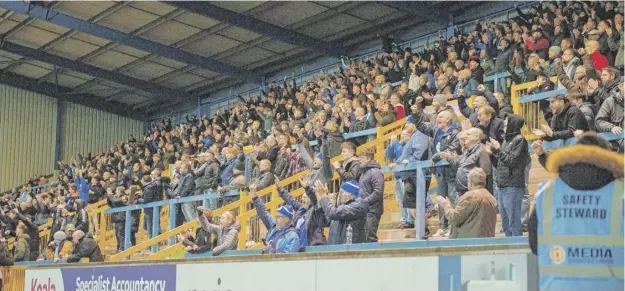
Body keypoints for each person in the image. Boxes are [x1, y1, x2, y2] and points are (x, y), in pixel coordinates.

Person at [528, 132, 624, 291]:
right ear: (607, 155)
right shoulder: (620, 193)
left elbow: (535, 245)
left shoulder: (547, 192)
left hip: (558, 286)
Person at [485, 114, 530, 237]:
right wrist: (492, 153)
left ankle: (517, 248)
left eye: (506, 124)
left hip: (513, 186)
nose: (503, 126)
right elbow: (501, 164)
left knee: (513, 223)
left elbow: (511, 162)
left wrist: (498, 149)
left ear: (513, 124)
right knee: (505, 224)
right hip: (502, 186)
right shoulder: (506, 140)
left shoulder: (520, 140)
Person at [436, 168, 497, 239]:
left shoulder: (470, 197)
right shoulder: (491, 197)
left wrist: (446, 206)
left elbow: (455, 219)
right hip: (486, 241)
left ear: (470, 182)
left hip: (469, 243)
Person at [440, 128, 492, 196]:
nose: (465, 136)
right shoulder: (466, 151)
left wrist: (475, 188)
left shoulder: (481, 151)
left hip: (473, 192)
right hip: (462, 190)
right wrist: (448, 157)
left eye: (468, 134)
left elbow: (486, 172)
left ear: (476, 136)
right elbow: (457, 165)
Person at [249, 184, 300, 254]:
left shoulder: (293, 236)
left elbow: (288, 258)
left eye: (278, 217)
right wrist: (255, 197)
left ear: (287, 219)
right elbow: (264, 213)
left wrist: (269, 250)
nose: (275, 219)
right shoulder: (274, 228)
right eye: (276, 217)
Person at [279, 176, 328, 246]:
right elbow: (291, 200)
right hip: (299, 247)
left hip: (311, 247)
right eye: (302, 197)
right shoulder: (301, 209)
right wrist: (279, 189)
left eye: (305, 197)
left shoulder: (316, 211)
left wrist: (307, 188)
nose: (302, 199)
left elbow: (314, 199)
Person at [317, 180, 368, 245]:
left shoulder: (358, 205)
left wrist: (324, 197)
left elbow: (333, 213)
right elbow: (324, 221)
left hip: (350, 251)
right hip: (337, 249)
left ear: (350, 193)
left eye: (341, 193)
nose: (339, 196)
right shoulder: (342, 208)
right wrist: (319, 197)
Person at [385, 131, 414, 229]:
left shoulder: (409, 145)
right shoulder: (398, 145)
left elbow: (403, 155)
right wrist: (392, 144)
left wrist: (396, 143)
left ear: (410, 136)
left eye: (404, 135)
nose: (402, 137)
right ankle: (404, 220)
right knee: (401, 200)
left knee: (407, 199)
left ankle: (410, 220)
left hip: (406, 176)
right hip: (397, 175)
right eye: (401, 135)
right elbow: (389, 155)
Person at [357, 147, 385, 242]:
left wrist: (365, 202)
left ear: (368, 158)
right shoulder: (363, 173)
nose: (359, 160)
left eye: (361, 157)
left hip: (373, 210)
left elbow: (378, 191)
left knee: (370, 238)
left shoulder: (375, 172)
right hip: (364, 209)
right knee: (364, 238)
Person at [595, 80, 624, 152]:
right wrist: (611, 127)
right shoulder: (610, 101)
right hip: (617, 144)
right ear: (620, 86)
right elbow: (599, 121)